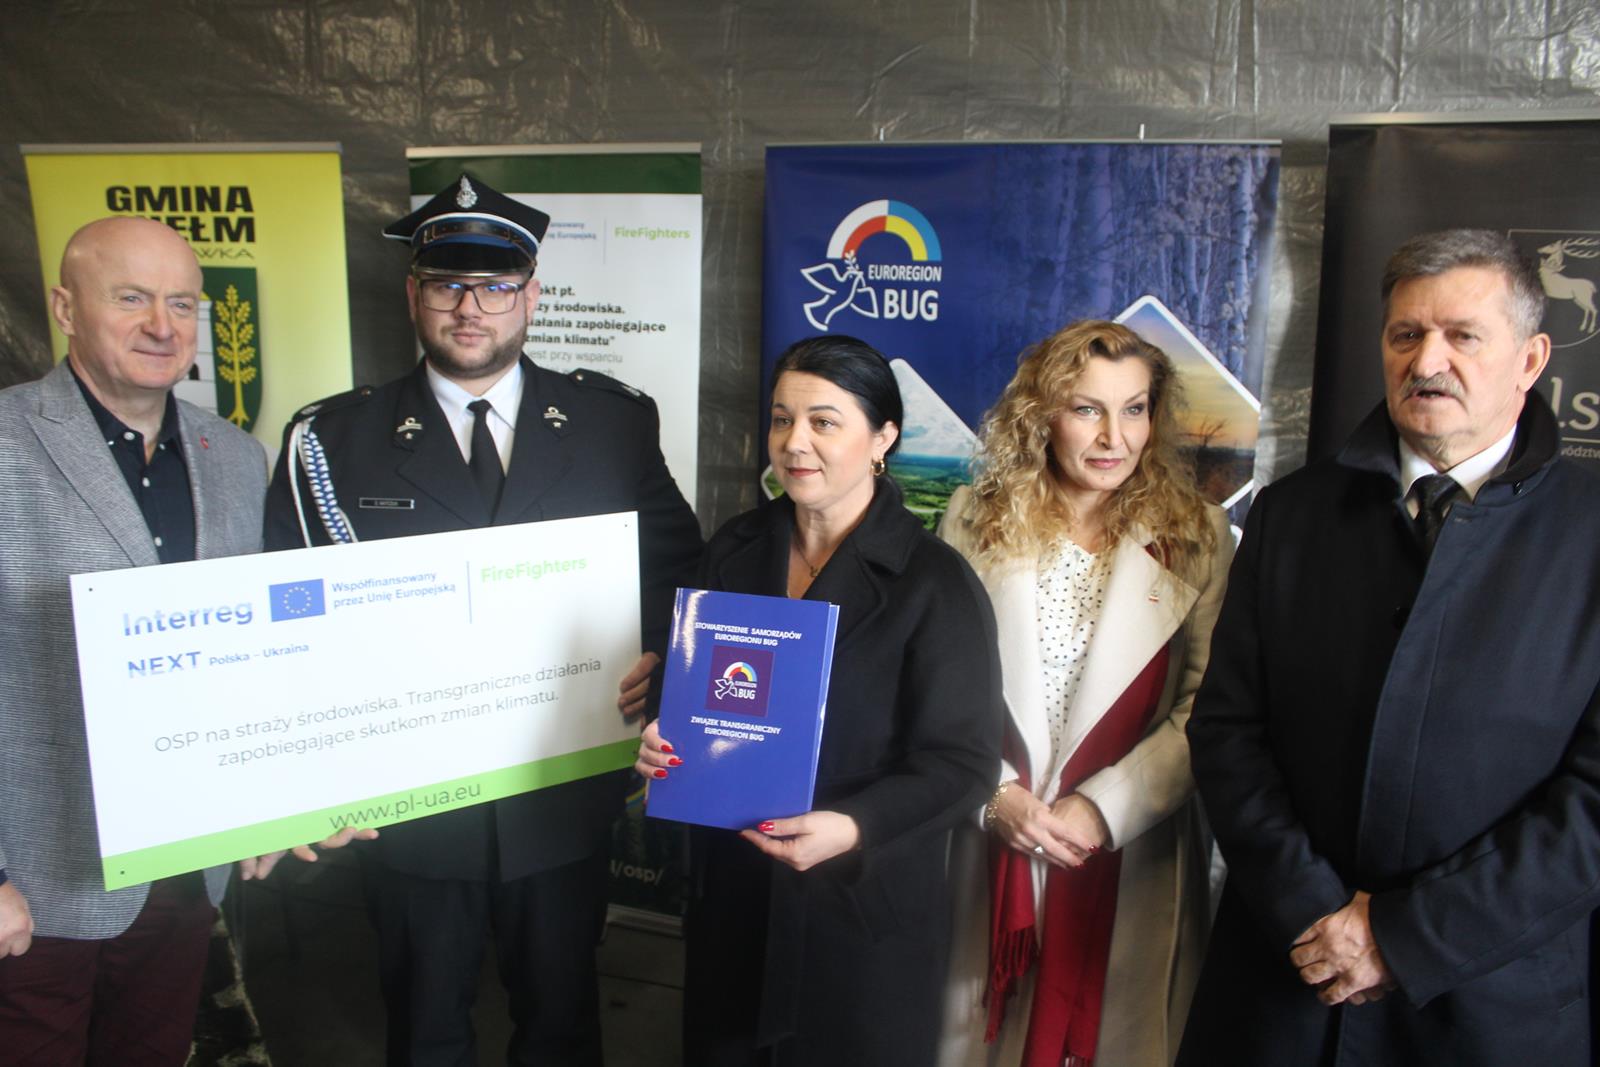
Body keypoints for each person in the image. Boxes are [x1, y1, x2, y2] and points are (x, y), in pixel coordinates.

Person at [264, 173, 702, 1066]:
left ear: (532, 296)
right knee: (426, 1030)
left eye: (496, 285)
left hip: (560, 788)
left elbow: (679, 572)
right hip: (413, 805)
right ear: (413, 294)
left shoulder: (611, 424)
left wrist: (662, 661)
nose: (471, 308)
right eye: (447, 285)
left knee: (562, 1026)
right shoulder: (334, 441)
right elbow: (288, 624)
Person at [1177, 228, 1600, 1066]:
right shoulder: (1292, 515)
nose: (1427, 361)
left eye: (1462, 336)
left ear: (1531, 359)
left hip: (1487, 1008)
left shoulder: (1590, 534)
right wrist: (1313, 911)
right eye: (1406, 334)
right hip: (1287, 984)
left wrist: (1402, 937)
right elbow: (1227, 730)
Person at [635, 335, 1002, 1066]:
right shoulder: (732, 550)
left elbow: (964, 763)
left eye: (823, 422)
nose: (794, 442)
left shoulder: (935, 583)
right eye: (782, 419)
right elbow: (691, 698)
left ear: (883, 438)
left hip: (860, 912)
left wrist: (854, 825)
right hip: (735, 897)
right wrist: (659, 738)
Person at [0, 216, 314, 1064]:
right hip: (36, 878)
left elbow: (254, 654)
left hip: (185, 869)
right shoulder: (6, 442)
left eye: (181, 303)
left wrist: (272, 799)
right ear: (66, 307)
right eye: (131, 298)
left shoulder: (236, 458)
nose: (161, 325)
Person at [935, 321, 1232, 1067]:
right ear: (1041, 414)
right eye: (1086, 409)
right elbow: (935, 683)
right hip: (992, 838)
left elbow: (1209, 707)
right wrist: (994, 794)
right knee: (976, 1040)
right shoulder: (972, 518)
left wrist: (1103, 809)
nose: (1113, 437)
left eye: (1134, 409)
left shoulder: (1199, 535)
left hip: (1132, 851)